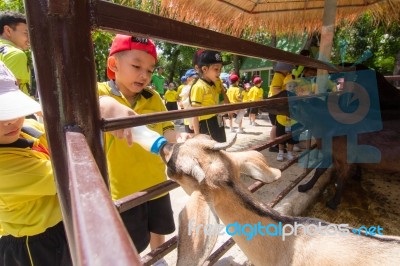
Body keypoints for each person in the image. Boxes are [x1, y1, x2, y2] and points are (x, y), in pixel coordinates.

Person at [98, 34, 189, 258]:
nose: (144, 75)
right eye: (136, 65)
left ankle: (157, 258)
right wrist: (109, 105)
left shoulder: (154, 97)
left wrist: (174, 143)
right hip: (124, 188)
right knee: (130, 239)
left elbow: (167, 126)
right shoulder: (100, 92)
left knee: (159, 227)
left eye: (150, 70)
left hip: (156, 180)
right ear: (113, 64)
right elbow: (95, 102)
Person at [0, 62, 72, 265]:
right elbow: (66, 176)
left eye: (13, 108)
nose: (11, 120)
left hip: (55, 226)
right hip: (32, 244)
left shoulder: (25, 127)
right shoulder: (4, 169)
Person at [189, 50, 230, 142]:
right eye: (216, 69)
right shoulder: (198, 87)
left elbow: (223, 98)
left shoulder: (214, 84)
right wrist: (197, 135)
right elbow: (194, 113)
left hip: (217, 119)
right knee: (212, 151)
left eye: (220, 69)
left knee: (222, 146)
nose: (219, 72)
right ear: (204, 69)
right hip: (207, 123)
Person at [0, 12, 31, 96]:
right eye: (26, 33)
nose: (29, 38)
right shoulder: (15, 54)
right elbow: (9, 94)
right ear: (8, 30)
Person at [267, 62, 294, 152]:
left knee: (276, 125)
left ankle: (276, 144)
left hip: (276, 104)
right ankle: (273, 144)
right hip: (275, 104)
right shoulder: (278, 75)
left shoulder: (281, 76)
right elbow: (275, 90)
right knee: (275, 125)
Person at [274, 75, 302, 161]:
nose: (292, 88)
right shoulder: (281, 96)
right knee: (281, 137)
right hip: (282, 120)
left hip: (293, 120)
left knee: (292, 138)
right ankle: (280, 152)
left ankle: (290, 153)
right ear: (285, 86)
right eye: (289, 86)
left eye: (294, 86)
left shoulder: (298, 96)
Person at [179, 68, 198, 133]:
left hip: (195, 118)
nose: (196, 79)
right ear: (188, 79)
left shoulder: (196, 87)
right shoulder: (187, 88)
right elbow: (181, 104)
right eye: (194, 78)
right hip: (189, 119)